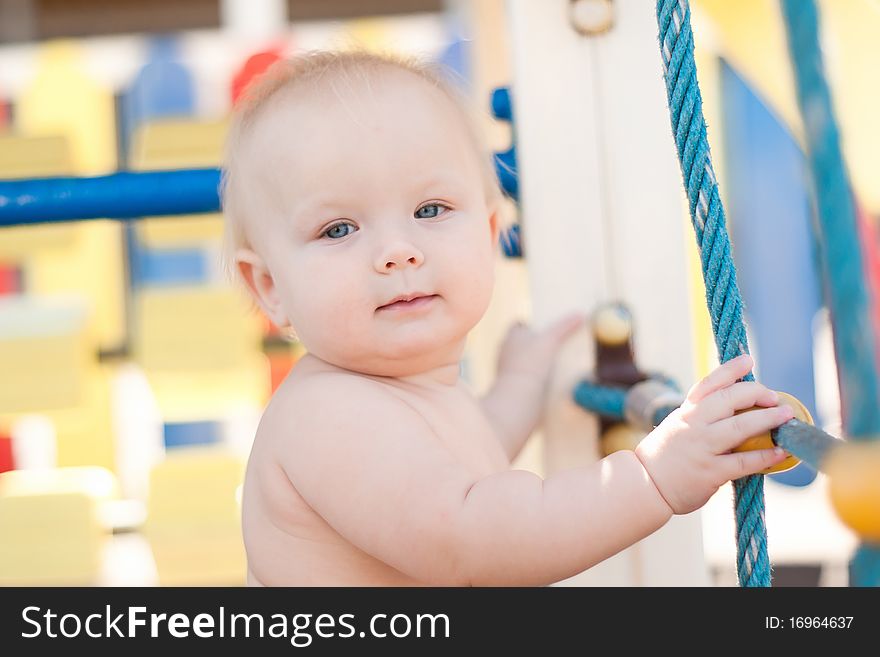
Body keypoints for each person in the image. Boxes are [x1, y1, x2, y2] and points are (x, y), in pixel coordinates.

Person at [222, 51, 793, 586]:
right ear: (270, 287)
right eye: (338, 229)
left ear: (491, 235)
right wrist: (651, 479)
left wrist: (522, 380)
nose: (397, 250)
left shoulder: (403, 398)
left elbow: (473, 458)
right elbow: (470, 536)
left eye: (430, 210)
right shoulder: (326, 416)